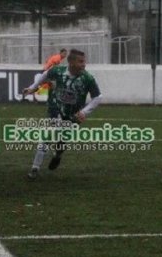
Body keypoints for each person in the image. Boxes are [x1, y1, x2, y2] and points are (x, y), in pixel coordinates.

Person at [23, 49, 103, 179]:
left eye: (84, 61)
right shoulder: (59, 71)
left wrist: (84, 112)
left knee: (63, 140)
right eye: (81, 61)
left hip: (74, 114)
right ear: (71, 62)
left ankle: (58, 155)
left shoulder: (87, 78)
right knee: (48, 134)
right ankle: (35, 168)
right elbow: (46, 74)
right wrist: (33, 87)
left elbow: (98, 97)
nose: (84, 64)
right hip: (56, 107)